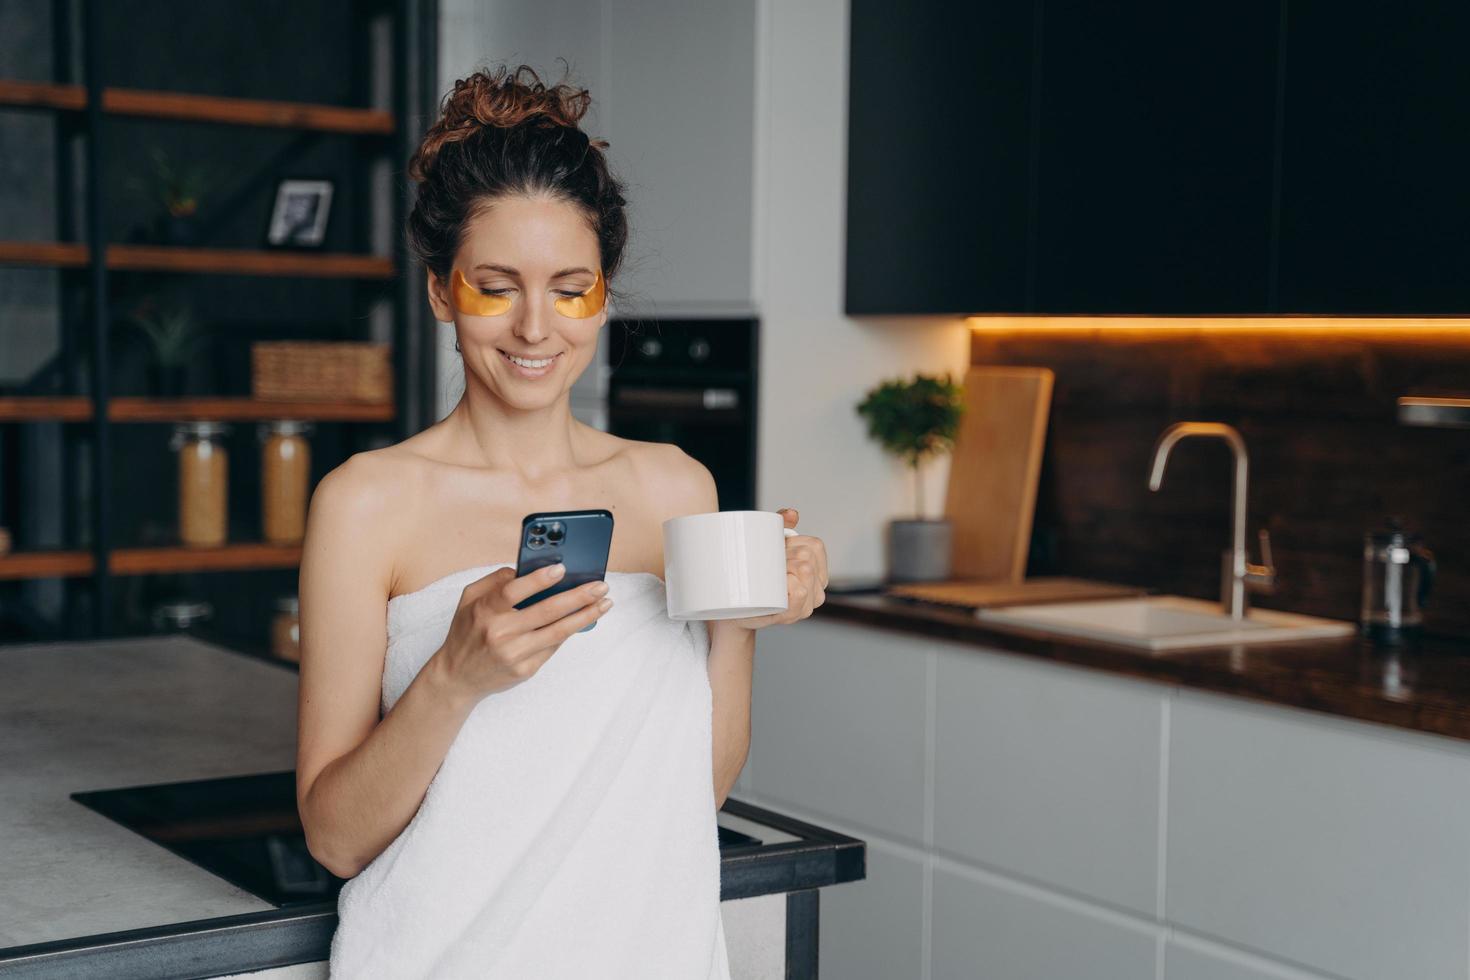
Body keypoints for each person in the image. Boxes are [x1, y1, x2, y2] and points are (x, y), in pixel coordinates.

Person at [294, 63, 828, 977]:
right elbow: (336, 838)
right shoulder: (367, 502)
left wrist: (747, 616)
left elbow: (691, 792)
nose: (536, 327)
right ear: (440, 292)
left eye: (569, 287)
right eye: (496, 286)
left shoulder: (675, 491)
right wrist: (454, 677)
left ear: (604, 291)